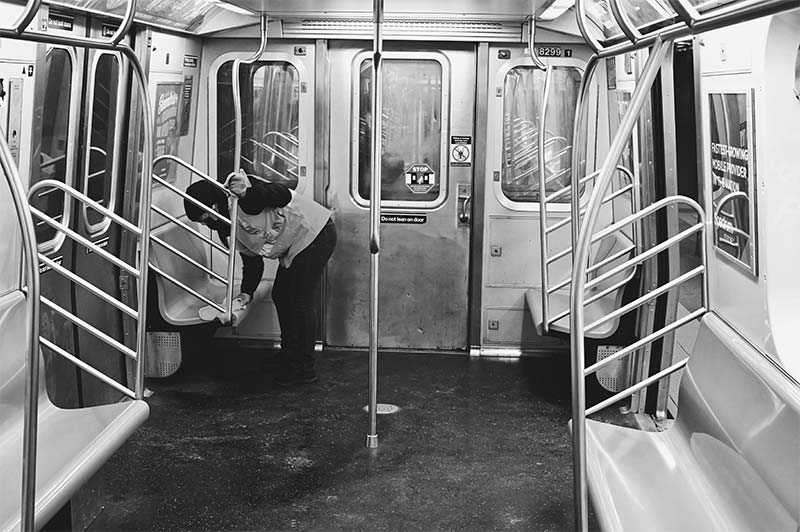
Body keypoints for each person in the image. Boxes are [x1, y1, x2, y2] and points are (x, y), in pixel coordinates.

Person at [183, 171, 336, 386]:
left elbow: (282, 194)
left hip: (315, 234)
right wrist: (247, 291)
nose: (208, 223)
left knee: (298, 300)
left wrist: (247, 193)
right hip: (298, 243)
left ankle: (303, 366)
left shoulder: (244, 199)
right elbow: (253, 262)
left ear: (213, 206)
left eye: (206, 216)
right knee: (281, 295)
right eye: (202, 222)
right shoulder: (231, 227)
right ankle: (289, 355)